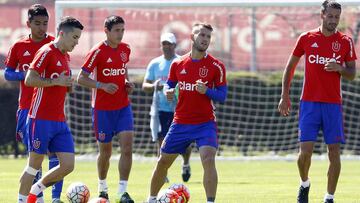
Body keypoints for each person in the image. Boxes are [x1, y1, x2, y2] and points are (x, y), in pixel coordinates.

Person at [278, 1, 357, 203]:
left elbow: (352, 74)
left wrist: (339, 67)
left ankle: (329, 197)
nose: (333, 21)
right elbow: (290, 67)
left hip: (333, 105)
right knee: (304, 152)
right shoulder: (306, 38)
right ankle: (304, 184)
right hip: (309, 104)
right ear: (322, 15)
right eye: (330, 16)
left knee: (334, 153)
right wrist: (284, 95)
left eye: (336, 17)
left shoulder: (346, 41)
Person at [147, 23, 227, 203]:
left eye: (208, 36)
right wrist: (168, 90)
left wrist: (206, 90)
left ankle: (210, 201)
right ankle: (151, 199)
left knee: (208, 158)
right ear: (192, 37)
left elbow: (222, 96)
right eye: (202, 35)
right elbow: (170, 83)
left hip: (205, 123)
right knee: (163, 162)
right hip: (181, 122)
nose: (205, 39)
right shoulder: (177, 63)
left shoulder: (217, 66)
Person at [18, 16, 83, 203]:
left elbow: (61, 84)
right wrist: (55, 81)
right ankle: (23, 200)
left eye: (78, 38)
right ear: (62, 34)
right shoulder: (46, 51)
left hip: (59, 121)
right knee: (33, 166)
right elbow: (30, 79)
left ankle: (35, 190)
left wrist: (67, 84)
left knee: (68, 165)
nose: (77, 42)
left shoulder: (65, 56)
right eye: (75, 38)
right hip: (40, 119)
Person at [3, 4, 65, 203]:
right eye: (37, 23)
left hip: (50, 108)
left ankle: (56, 198)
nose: (41, 27)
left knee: (56, 152)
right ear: (28, 23)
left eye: (45, 23)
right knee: (35, 156)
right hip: (27, 108)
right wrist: (26, 75)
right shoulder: (19, 46)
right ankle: (37, 198)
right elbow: (8, 73)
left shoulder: (54, 45)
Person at [77, 15, 135, 203]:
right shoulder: (97, 52)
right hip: (102, 110)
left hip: (123, 107)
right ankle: (103, 189)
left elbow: (122, 68)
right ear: (106, 31)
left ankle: (122, 192)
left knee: (127, 149)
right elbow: (81, 78)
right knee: (106, 153)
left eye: (122, 30)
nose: (120, 34)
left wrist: (126, 82)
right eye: (117, 30)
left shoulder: (125, 49)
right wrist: (102, 85)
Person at [142, 32, 192, 183]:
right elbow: (145, 85)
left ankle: (186, 163)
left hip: (179, 109)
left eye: (169, 44)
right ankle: (163, 172)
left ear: (174, 45)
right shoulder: (155, 63)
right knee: (161, 140)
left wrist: (175, 89)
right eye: (164, 43)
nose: (166, 47)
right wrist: (155, 86)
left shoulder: (182, 62)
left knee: (186, 144)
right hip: (161, 109)